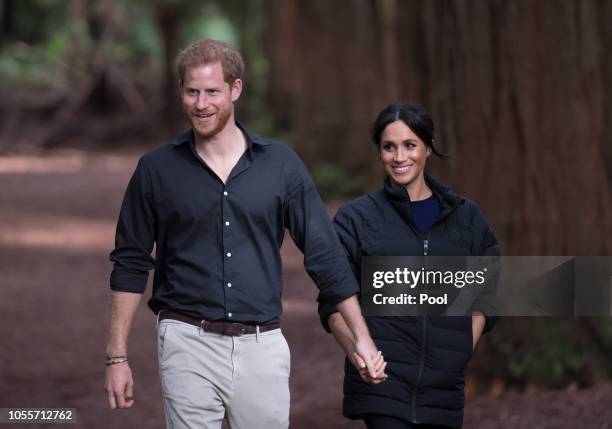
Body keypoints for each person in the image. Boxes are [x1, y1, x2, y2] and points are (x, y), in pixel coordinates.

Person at [104, 39, 385, 429]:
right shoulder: (156, 170)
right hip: (186, 339)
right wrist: (117, 357)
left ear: (235, 89)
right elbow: (130, 262)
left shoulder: (281, 165)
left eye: (212, 92)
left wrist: (362, 338)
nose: (201, 104)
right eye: (192, 92)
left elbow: (325, 254)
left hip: (262, 344)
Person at [320, 102, 500, 429]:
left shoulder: (465, 217)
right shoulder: (356, 219)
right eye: (389, 147)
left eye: (410, 145)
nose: (399, 157)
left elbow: (487, 290)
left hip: (444, 390)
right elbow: (333, 300)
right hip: (382, 385)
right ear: (379, 153)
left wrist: (461, 351)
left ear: (428, 148)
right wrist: (358, 353)